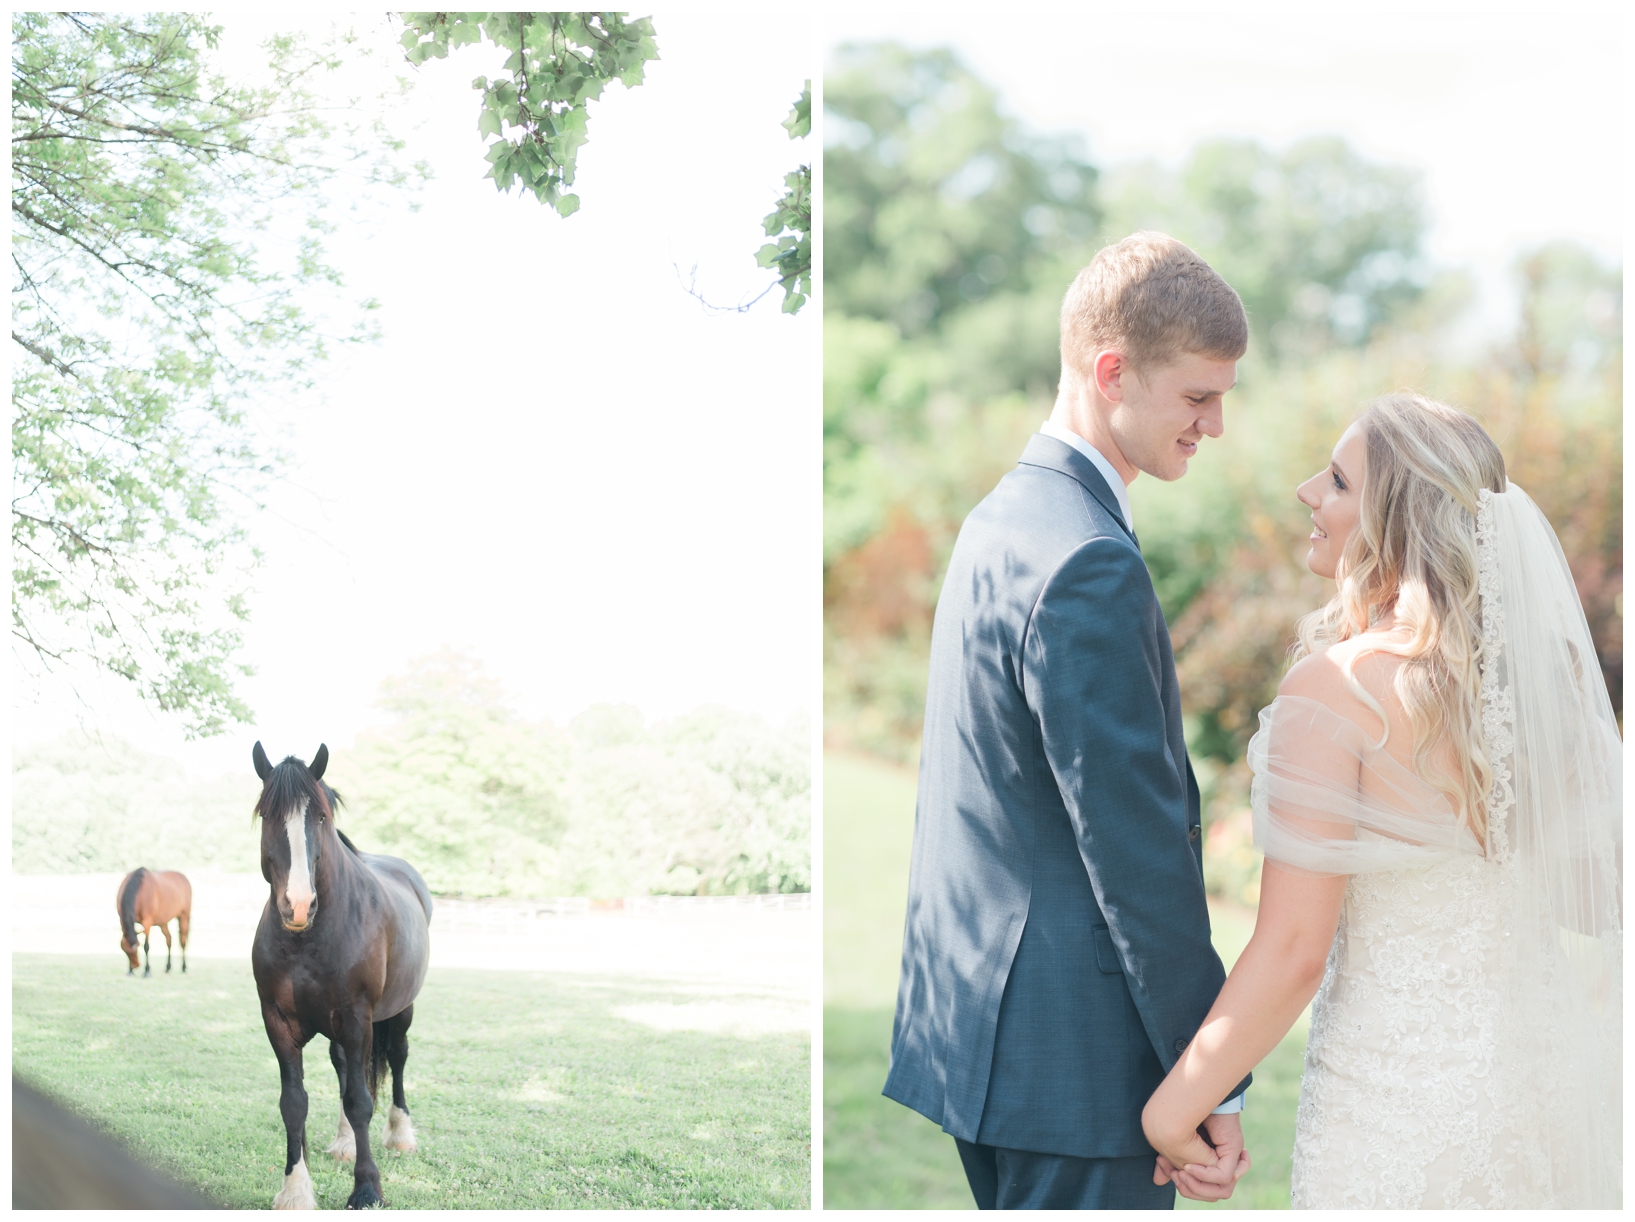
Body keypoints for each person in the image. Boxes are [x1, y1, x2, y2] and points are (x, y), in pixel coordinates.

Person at [1140, 393, 1622, 1208]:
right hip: (1539, 1087)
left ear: (1397, 521)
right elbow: (1588, 898)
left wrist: (1171, 1110)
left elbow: (1294, 949)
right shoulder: (1536, 682)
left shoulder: (1338, 690)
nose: (1304, 492)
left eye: (1335, 481)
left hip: (1397, 1103)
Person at [882, 232, 1254, 1209]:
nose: (1215, 424)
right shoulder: (1088, 557)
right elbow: (1136, 854)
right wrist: (1209, 1073)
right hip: (1079, 1067)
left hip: (986, 1043)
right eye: (1198, 396)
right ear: (1110, 371)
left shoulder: (1003, 518)